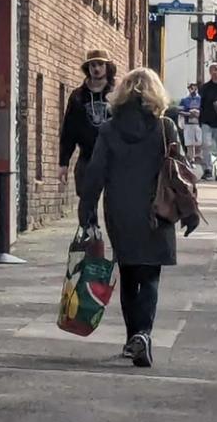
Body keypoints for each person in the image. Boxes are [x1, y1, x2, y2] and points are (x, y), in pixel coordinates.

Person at [79, 67, 187, 368]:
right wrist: (188, 212)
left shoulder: (109, 130)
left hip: (120, 212)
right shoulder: (165, 127)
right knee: (150, 275)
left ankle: (132, 338)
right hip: (157, 211)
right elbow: (180, 171)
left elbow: (95, 172)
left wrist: (87, 210)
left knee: (128, 275)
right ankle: (143, 334)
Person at [60, 49, 118, 190]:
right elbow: (68, 131)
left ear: (107, 67)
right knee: (86, 205)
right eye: (92, 65)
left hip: (114, 158)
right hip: (87, 157)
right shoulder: (78, 96)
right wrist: (63, 163)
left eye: (100, 64)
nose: (96, 68)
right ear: (88, 68)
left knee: (113, 206)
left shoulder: (117, 94)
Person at [178, 84, 212, 179]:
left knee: (200, 143)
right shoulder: (184, 100)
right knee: (189, 144)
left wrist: (198, 113)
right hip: (188, 124)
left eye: (193, 88)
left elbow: (206, 110)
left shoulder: (201, 100)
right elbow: (180, 110)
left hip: (199, 124)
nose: (192, 90)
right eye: (190, 88)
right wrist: (189, 113)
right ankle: (191, 160)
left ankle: (202, 162)